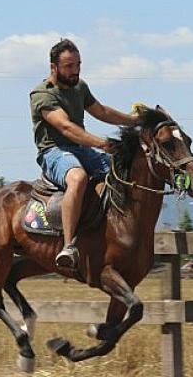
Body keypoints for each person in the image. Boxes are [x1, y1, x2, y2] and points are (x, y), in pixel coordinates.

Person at [30, 38, 140, 270]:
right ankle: (69, 246)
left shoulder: (79, 87)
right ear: (53, 67)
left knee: (124, 171)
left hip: (82, 149)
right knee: (78, 178)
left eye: (78, 64)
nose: (75, 70)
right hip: (55, 152)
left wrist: (134, 121)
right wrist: (101, 144)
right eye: (69, 66)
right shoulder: (42, 95)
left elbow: (101, 111)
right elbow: (66, 127)